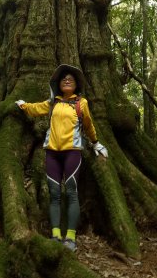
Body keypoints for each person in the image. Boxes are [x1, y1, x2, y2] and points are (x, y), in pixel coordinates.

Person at [15, 64, 108, 251]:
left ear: (76, 85)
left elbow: (88, 125)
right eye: (64, 79)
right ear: (58, 84)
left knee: (71, 192)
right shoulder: (53, 103)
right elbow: (36, 108)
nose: (67, 80)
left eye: (71, 79)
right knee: (55, 194)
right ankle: (56, 234)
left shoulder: (82, 103)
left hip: (72, 151)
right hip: (52, 152)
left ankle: (71, 237)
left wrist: (96, 143)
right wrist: (23, 105)